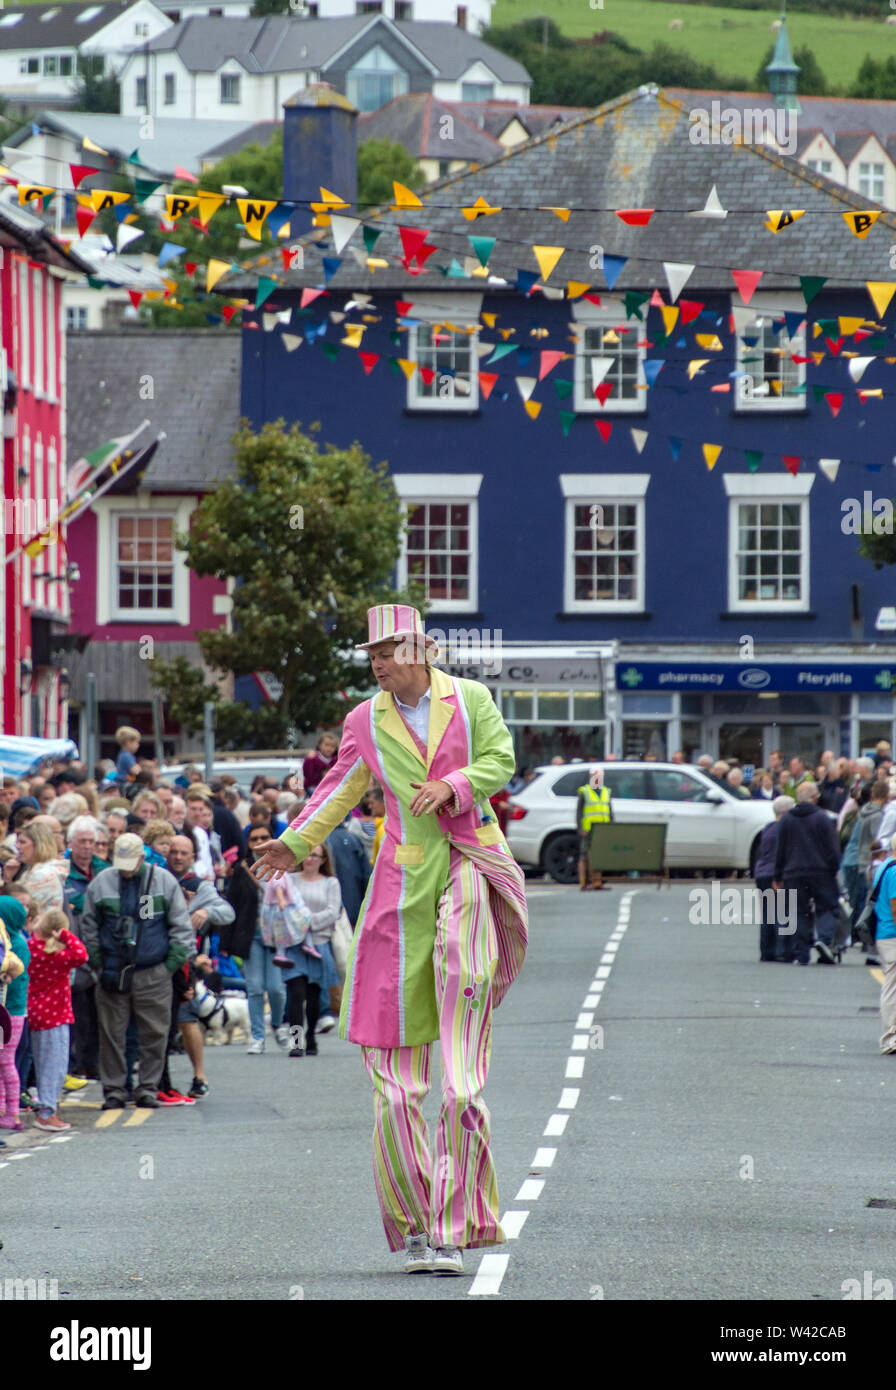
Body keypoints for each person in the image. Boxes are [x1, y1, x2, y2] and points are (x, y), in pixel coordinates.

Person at [250, 604, 528, 1277]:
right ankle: (416, 1229)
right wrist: (292, 844)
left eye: (386, 650)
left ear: (419, 649)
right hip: (401, 887)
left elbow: (501, 760)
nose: (376, 663)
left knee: (461, 1084)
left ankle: (459, 1223)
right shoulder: (365, 720)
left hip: (468, 863)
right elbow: (337, 788)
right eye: (370, 653)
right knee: (396, 1086)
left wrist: (455, 785)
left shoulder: (471, 699)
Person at [80, 832, 195, 1109]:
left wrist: (168, 967)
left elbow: (181, 927)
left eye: (131, 861)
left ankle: (147, 1088)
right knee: (111, 1034)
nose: (126, 867)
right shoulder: (101, 883)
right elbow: (89, 927)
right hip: (112, 971)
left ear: (143, 858)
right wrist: (97, 962)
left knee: (155, 1033)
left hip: (153, 970)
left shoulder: (164, 881)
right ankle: (115, 1090)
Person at [225, 824, 289, 1055]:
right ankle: (258, 1036)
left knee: (276, 989)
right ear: (248, 842)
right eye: (254, 838)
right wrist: (225, 943)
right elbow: (232, 904)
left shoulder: (282, 864)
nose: (259, 841)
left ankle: (279, 1025)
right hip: (250, 935)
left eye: (264, 837)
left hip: (276, 935)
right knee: (254, 988)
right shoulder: (242, 869)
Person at [26, 907, 88, 1131]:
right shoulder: (58, 955)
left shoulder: (31, 948)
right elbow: (82, 954)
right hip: (56, 1016)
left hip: (34, 1012)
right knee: (54, 1066)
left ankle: (45, 1106)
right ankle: (46, 1112)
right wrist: (64, 934)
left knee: (41, 1063)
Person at [277, 846, 342, 1058]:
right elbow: (283, 905)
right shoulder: (291, 879)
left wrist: (308, 922)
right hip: (294, 945)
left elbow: (334, 911)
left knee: (314, 995)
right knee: (296, 994)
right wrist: (298, 924)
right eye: (307, 854)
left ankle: (311, 1036)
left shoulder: (330, 882)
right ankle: (296, 1042)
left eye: (315, 855)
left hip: (319, 943)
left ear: (323, 859)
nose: (310, 859)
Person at [773, 782, 842, 966]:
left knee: (798, 912)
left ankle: (801, 953)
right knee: (827, 907)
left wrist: (777, 875)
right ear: (815, 797)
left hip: (793, 872)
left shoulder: (787, 819)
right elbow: (832, 848)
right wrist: (834, 868)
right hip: (820, 871)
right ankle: (825, 940)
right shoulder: (822, 818)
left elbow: (780, 849)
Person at [753, 795, 795, 961]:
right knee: (783, 912)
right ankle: (783, 950)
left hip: (762, 872)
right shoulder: (785, 829)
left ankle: (766, 951)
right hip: (776, 872)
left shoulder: (768, 827)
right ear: (785, 812)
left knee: (768, 914)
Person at [0, 897, 29, 1132]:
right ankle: (6, 1111)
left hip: (9, 1012)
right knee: (4, 1062)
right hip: (15, 1012)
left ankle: (11, 1112)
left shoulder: (14, 946)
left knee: (5, 1062)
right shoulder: (20, 941)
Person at [576, 766, 612, 891]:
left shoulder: (606, 791)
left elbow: (610, 811)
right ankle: (583, 882)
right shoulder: (585, 791)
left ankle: (597, 882)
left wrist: (611, 827)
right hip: (588, 828)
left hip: (602, 829)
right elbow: (579, 812)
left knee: (599, 856)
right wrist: (580, 828)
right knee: (583, 855)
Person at [16, 822, 64, 912]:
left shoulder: (42, 875)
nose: (17, 846)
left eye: (22, 842)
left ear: (38, 845)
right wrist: (8, 878)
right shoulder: (30, 871)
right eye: (17, 842)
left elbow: (16, 908)